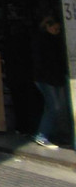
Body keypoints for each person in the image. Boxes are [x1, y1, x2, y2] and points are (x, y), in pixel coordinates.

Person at [32, 15, 67, 149]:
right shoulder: (43, 40)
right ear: (48, 26)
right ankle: (42, 135)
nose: (57, 31)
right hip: (46, 78)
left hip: (54, 77)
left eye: (58, 29)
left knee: (54, 107)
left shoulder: (54, 40)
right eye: (55, 28)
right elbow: (42, 61)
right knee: (55, 107)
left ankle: (51, 134)